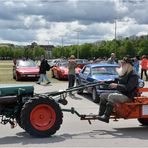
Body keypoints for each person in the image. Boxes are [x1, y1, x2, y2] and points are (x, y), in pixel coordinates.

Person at [98, 56, 139, 123]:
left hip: (127, 96)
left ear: (128, 65)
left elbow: (128, 88)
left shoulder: (133, 75)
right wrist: (104, 82)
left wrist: (117, 86)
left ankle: (106, 117)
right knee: (102, 95)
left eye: (123, 63)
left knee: (111, 96)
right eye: (121, 63)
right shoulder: (124, 72)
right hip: (121, 94)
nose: (121, 64)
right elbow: (116, 80)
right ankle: (101, 115)